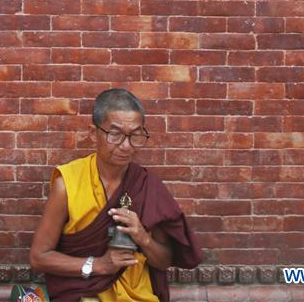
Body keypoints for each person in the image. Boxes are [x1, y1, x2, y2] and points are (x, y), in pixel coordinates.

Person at [29, 88, 202, 302]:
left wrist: (143, 238)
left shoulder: (147, 185)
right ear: (94, 133)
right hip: (84, 293)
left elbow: (164, 261)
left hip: (137, 294)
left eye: (135, 135)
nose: (126, 146)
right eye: (115, 134)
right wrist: (99, 265)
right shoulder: (68, 184)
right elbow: (39, 258)